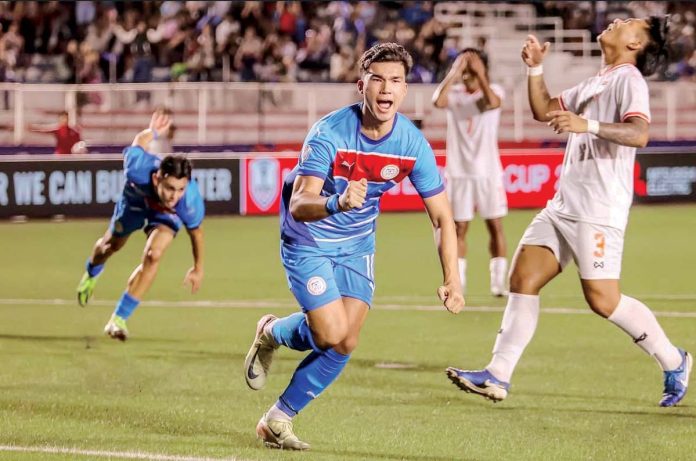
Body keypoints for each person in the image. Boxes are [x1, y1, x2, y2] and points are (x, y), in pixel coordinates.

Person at [446, 16, 691, 408]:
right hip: (564, 204)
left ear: (636, 44)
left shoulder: (629, 79)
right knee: (523, 276)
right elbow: (543, 109)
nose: (617, 21)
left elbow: (639, 134)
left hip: (598, 209)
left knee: (603, 300)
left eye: (629, 23)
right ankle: (498, 374)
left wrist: (586, 123)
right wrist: (535, 68)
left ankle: (675, 360)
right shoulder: (597, 80)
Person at [243, 42, 464, 450]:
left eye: (396, 81)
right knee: (329, 333)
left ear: (404, 90)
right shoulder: (328, 133)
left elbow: (442, 217)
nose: (386, 88)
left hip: (357, 244)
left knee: (347, 340)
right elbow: (300, 202)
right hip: (308, 237)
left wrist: (452, 277)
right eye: (377, 79)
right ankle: (271, 331)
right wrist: (338, 202)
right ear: (361, 84)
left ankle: (277, 419)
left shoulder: (412, 144)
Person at [76, 109, 205, 341]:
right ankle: (91, 273)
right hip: (135, 202)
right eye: (169, 188)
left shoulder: (188, 199)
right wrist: (152, 131)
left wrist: (198, 268)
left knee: (154, 255)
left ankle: (118, 319)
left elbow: (196, 234)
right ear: (157, 178)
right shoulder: (138, 167)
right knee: (110, 246)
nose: (174, 195)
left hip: (163, 216)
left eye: (180, 189)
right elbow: (140, 141)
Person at [432, 48, 508, 297]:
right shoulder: (454, 94)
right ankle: (459, 282)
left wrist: (480, 74)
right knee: (459, 229)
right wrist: (453, 73)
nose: (467, 73)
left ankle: (498, 284)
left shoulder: (494, 90)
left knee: (494, 225)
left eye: (470, 68)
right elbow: (437, 101)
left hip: (488, 172)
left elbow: (492, 103)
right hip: (459, 172)